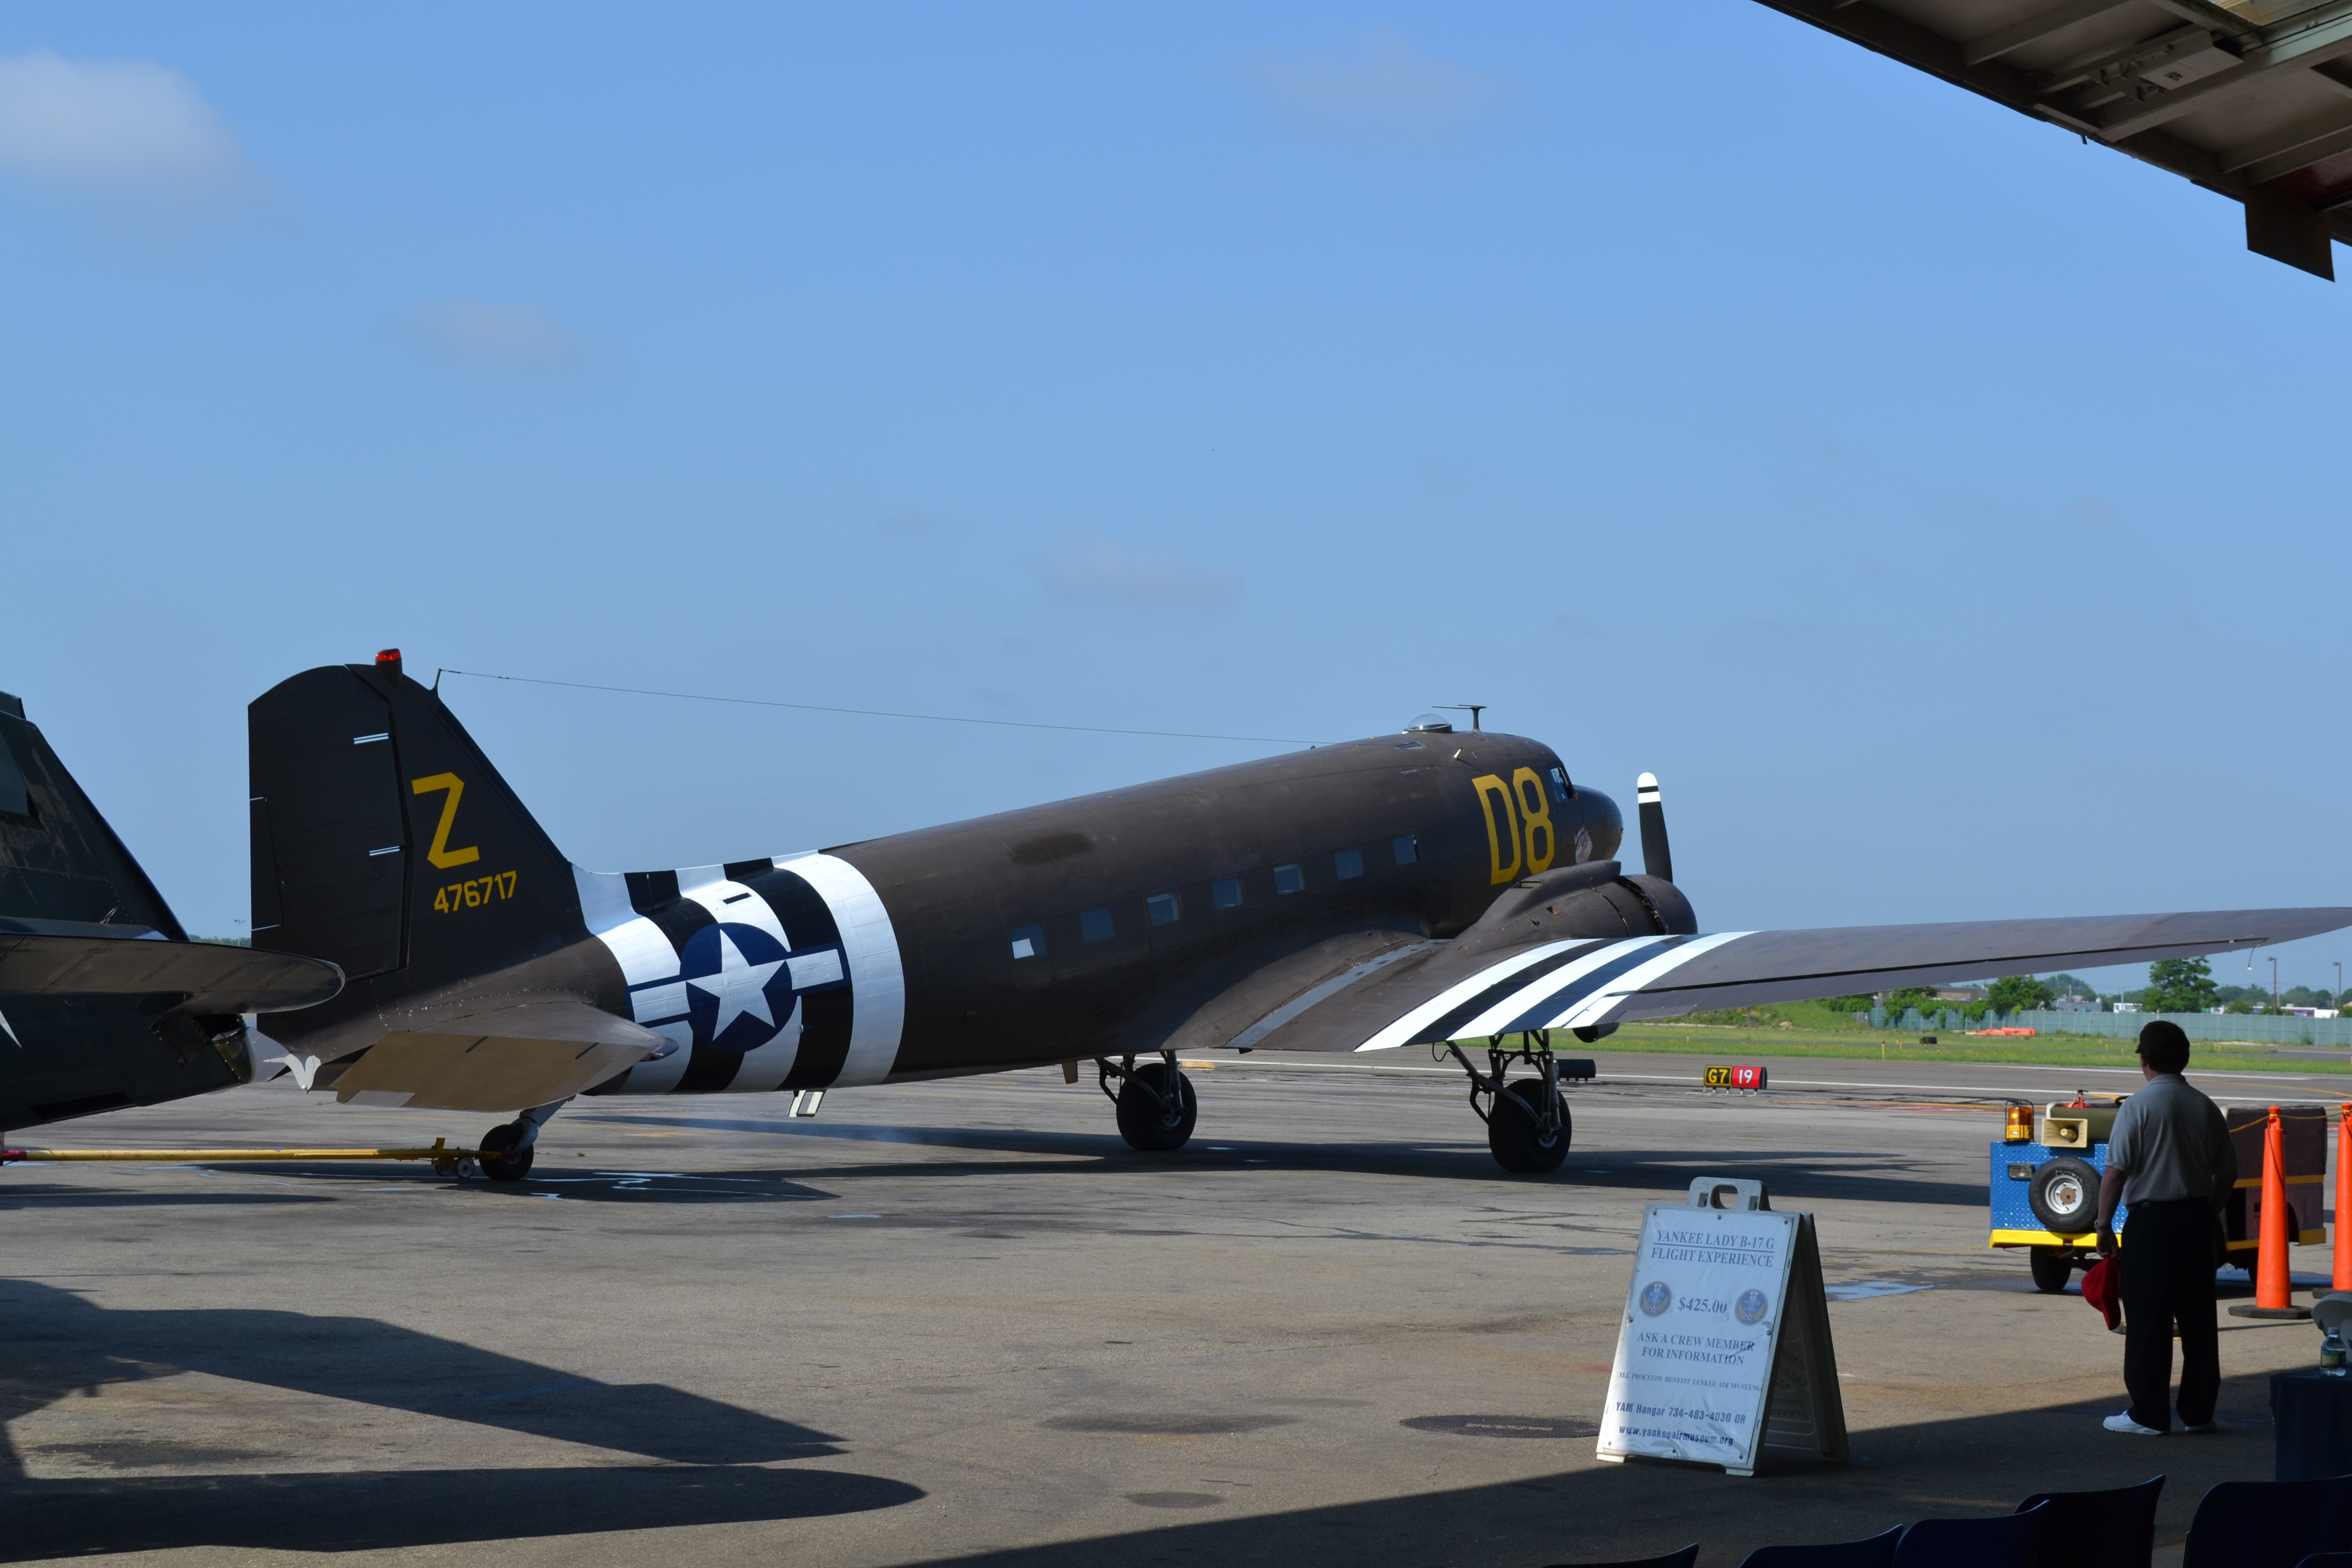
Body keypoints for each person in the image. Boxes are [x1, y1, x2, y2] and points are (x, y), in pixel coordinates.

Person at [2095, 1018, 2237, 1435]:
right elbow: (2228, 1172)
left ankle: (2149, 1414)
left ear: (2144, 1059)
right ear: (2185, 1058)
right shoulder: (2205, 1107)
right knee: (2198, 1321)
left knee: (2148, 1318)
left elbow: (2116, 1173)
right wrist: (2209, 1213)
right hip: (2195, 1220)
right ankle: (2198, 1413)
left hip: (2152, 1224)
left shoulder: (2137, 1107)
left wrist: (2103, 1224)